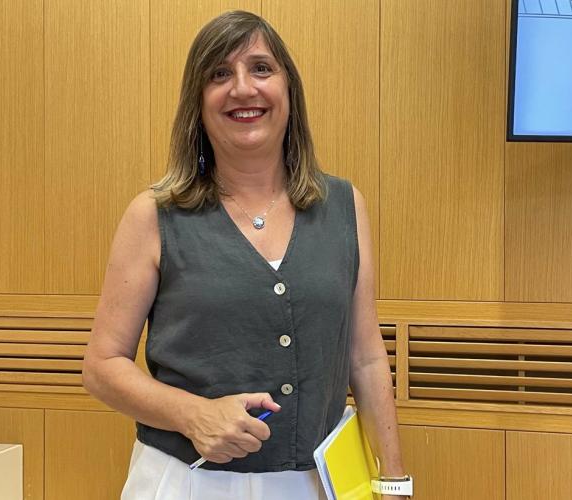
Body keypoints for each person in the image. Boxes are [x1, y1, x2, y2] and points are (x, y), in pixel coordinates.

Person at [82, 10, 410, 500]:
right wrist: (193, 415)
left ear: (289, 90)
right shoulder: (153, 215)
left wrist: (394, 480)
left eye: (260, 68)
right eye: (219, 74)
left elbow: (364, 358)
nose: (242, 88)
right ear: (198, 103)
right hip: (187, 481)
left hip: (315, 483)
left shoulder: (345, 206)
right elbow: (102, 366)